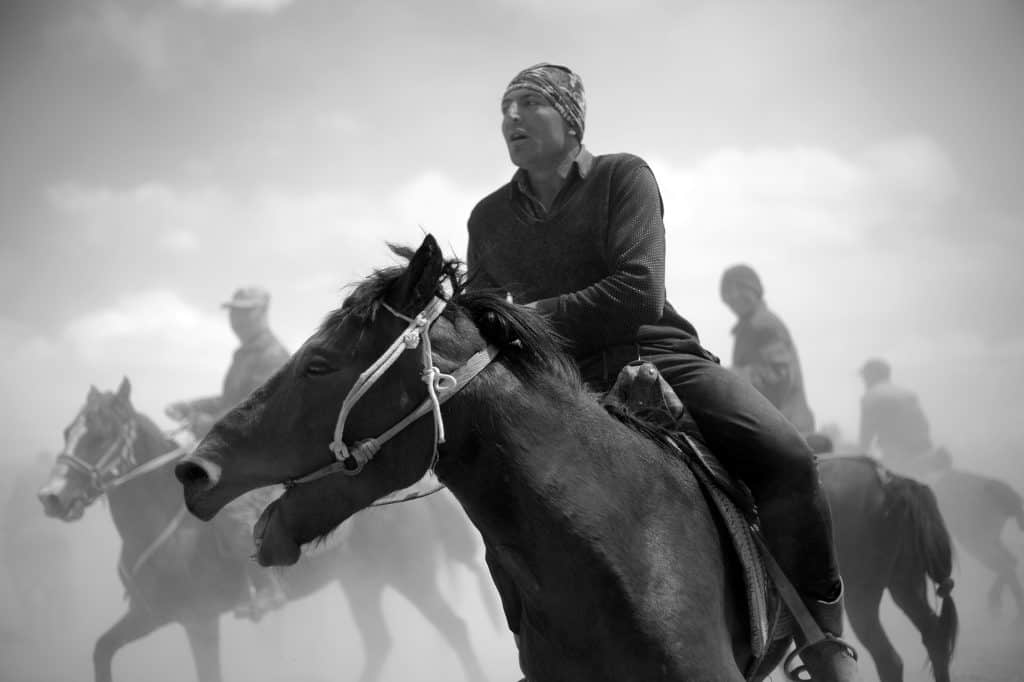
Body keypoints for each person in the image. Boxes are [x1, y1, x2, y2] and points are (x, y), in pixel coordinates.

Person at [466, 63, 859, 681]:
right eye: (504, 108)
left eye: (528, 104)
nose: (510, 118)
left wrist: (530, 320)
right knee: (496, 502)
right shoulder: (486, 218)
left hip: (654, 351)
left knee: (785, 454)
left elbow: (637, 292)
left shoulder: (625, 176)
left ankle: (825, 634)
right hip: (558, 385)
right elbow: (481, 325)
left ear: (570, 119)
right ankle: (539, 652)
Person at [166, 286, 291, 620]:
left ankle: (269, 589)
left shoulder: (272, 355)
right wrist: (192, 406)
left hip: (267, 457)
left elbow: (256, 411)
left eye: (244, 312)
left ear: (263, 312)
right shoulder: (245, 354)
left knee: (232, 509)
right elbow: (231, 401)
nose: (236, 319)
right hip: (241, 453)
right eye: (234, 312)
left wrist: (201, 421)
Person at [720, 264, 815, 434]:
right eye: (728, 293)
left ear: (754, 290)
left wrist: (727, 376)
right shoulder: (748, 326)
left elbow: (778, 373)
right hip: (774, 423)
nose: (734, 297)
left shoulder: (764, 325)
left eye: (739, 290)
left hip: (786, 425)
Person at [857, 358, 934, 477]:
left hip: (898, 452)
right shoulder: (907, 393)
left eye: (865, 377)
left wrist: (859, 458)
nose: (864, 381)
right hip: (924, 447)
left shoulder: (870, 396)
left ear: (871, 376)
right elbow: (924, 424)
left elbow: (866, 436)